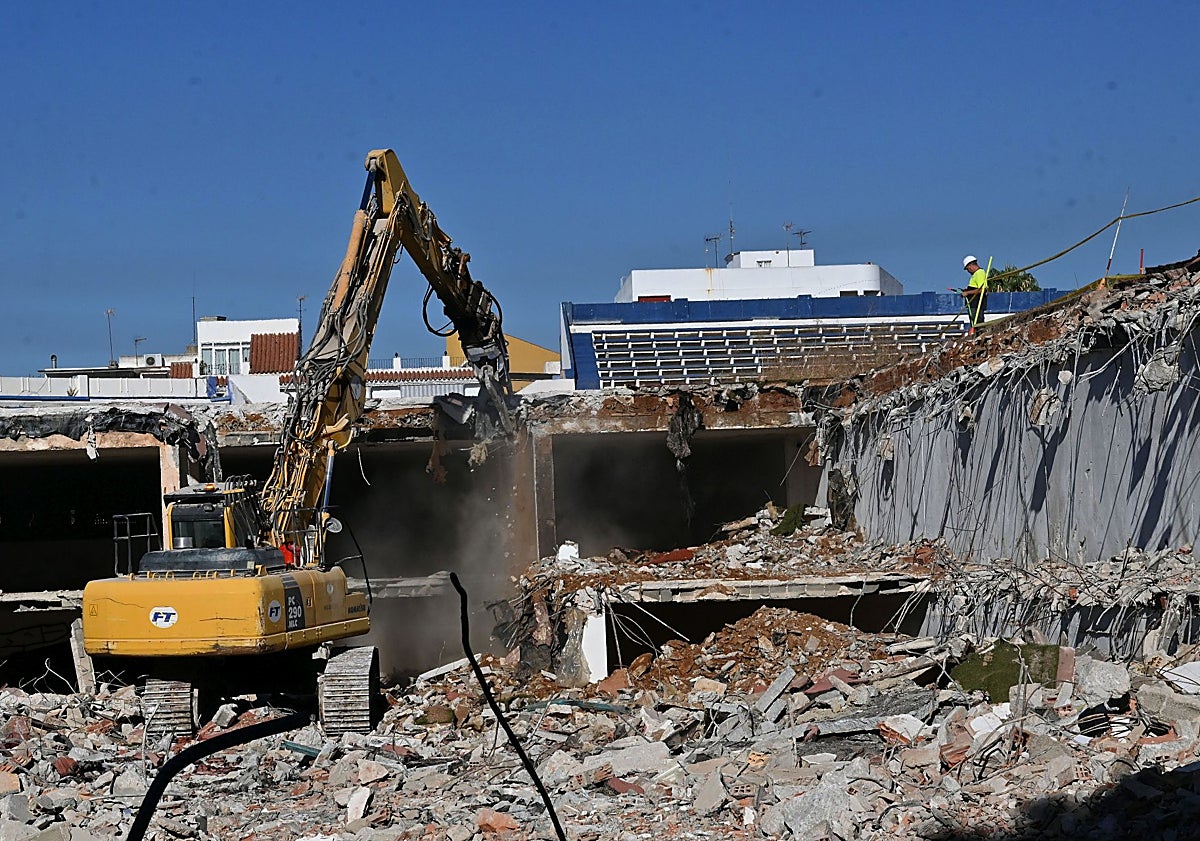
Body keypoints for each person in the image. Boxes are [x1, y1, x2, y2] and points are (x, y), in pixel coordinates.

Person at [961, 255, 989, 329]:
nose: (968, 271)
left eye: (967, 269)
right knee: (974, 323)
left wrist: (967, 293)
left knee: (978, 324)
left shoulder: (980, 273)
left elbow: (982, 289)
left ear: (970, 266)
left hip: (977, 305)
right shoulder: (976, 274)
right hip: (973, 305)